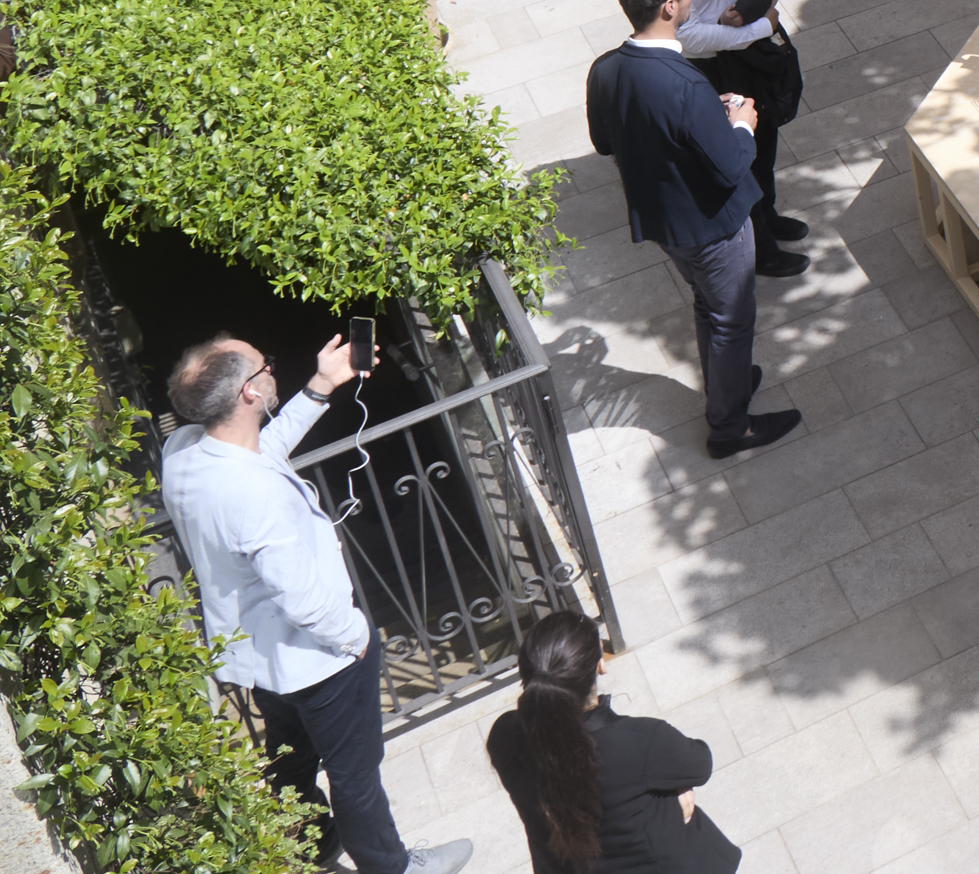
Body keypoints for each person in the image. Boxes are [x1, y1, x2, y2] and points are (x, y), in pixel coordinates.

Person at [159, 334, 475, 874]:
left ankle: (315, 846)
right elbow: (302, 600)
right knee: (356, 774)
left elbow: (260, 450)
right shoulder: (255, 496)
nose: (272, 369)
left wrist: (321, 385)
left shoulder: (184, 449)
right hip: (320, 658)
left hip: (261, 658)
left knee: (292, 760)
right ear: (250, 393)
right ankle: (392, 867)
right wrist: (356, 637)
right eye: (267, 366)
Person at [586, 0, 802, 461]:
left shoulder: (605, 69)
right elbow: (731, 164)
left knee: (709, 305)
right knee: (731, 318)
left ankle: (728, 384)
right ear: (667, 8)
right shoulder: (686, 83)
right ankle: (729, 426)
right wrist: (740, 122)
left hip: (663, 221)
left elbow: (603, 142)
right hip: (712, 225)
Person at [483, 610, 740, 874]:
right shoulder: (639, 742)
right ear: (600, 665)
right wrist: (672, 804)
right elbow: (700, 763)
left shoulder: (504, 737)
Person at [645, 0, 808, 277]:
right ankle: (761, 251)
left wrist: (752, 3)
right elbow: (690, 37)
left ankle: (768, 217)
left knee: (765, 143)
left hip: (751, 55)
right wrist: (760, 27)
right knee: (738, 161)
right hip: (715, 71)